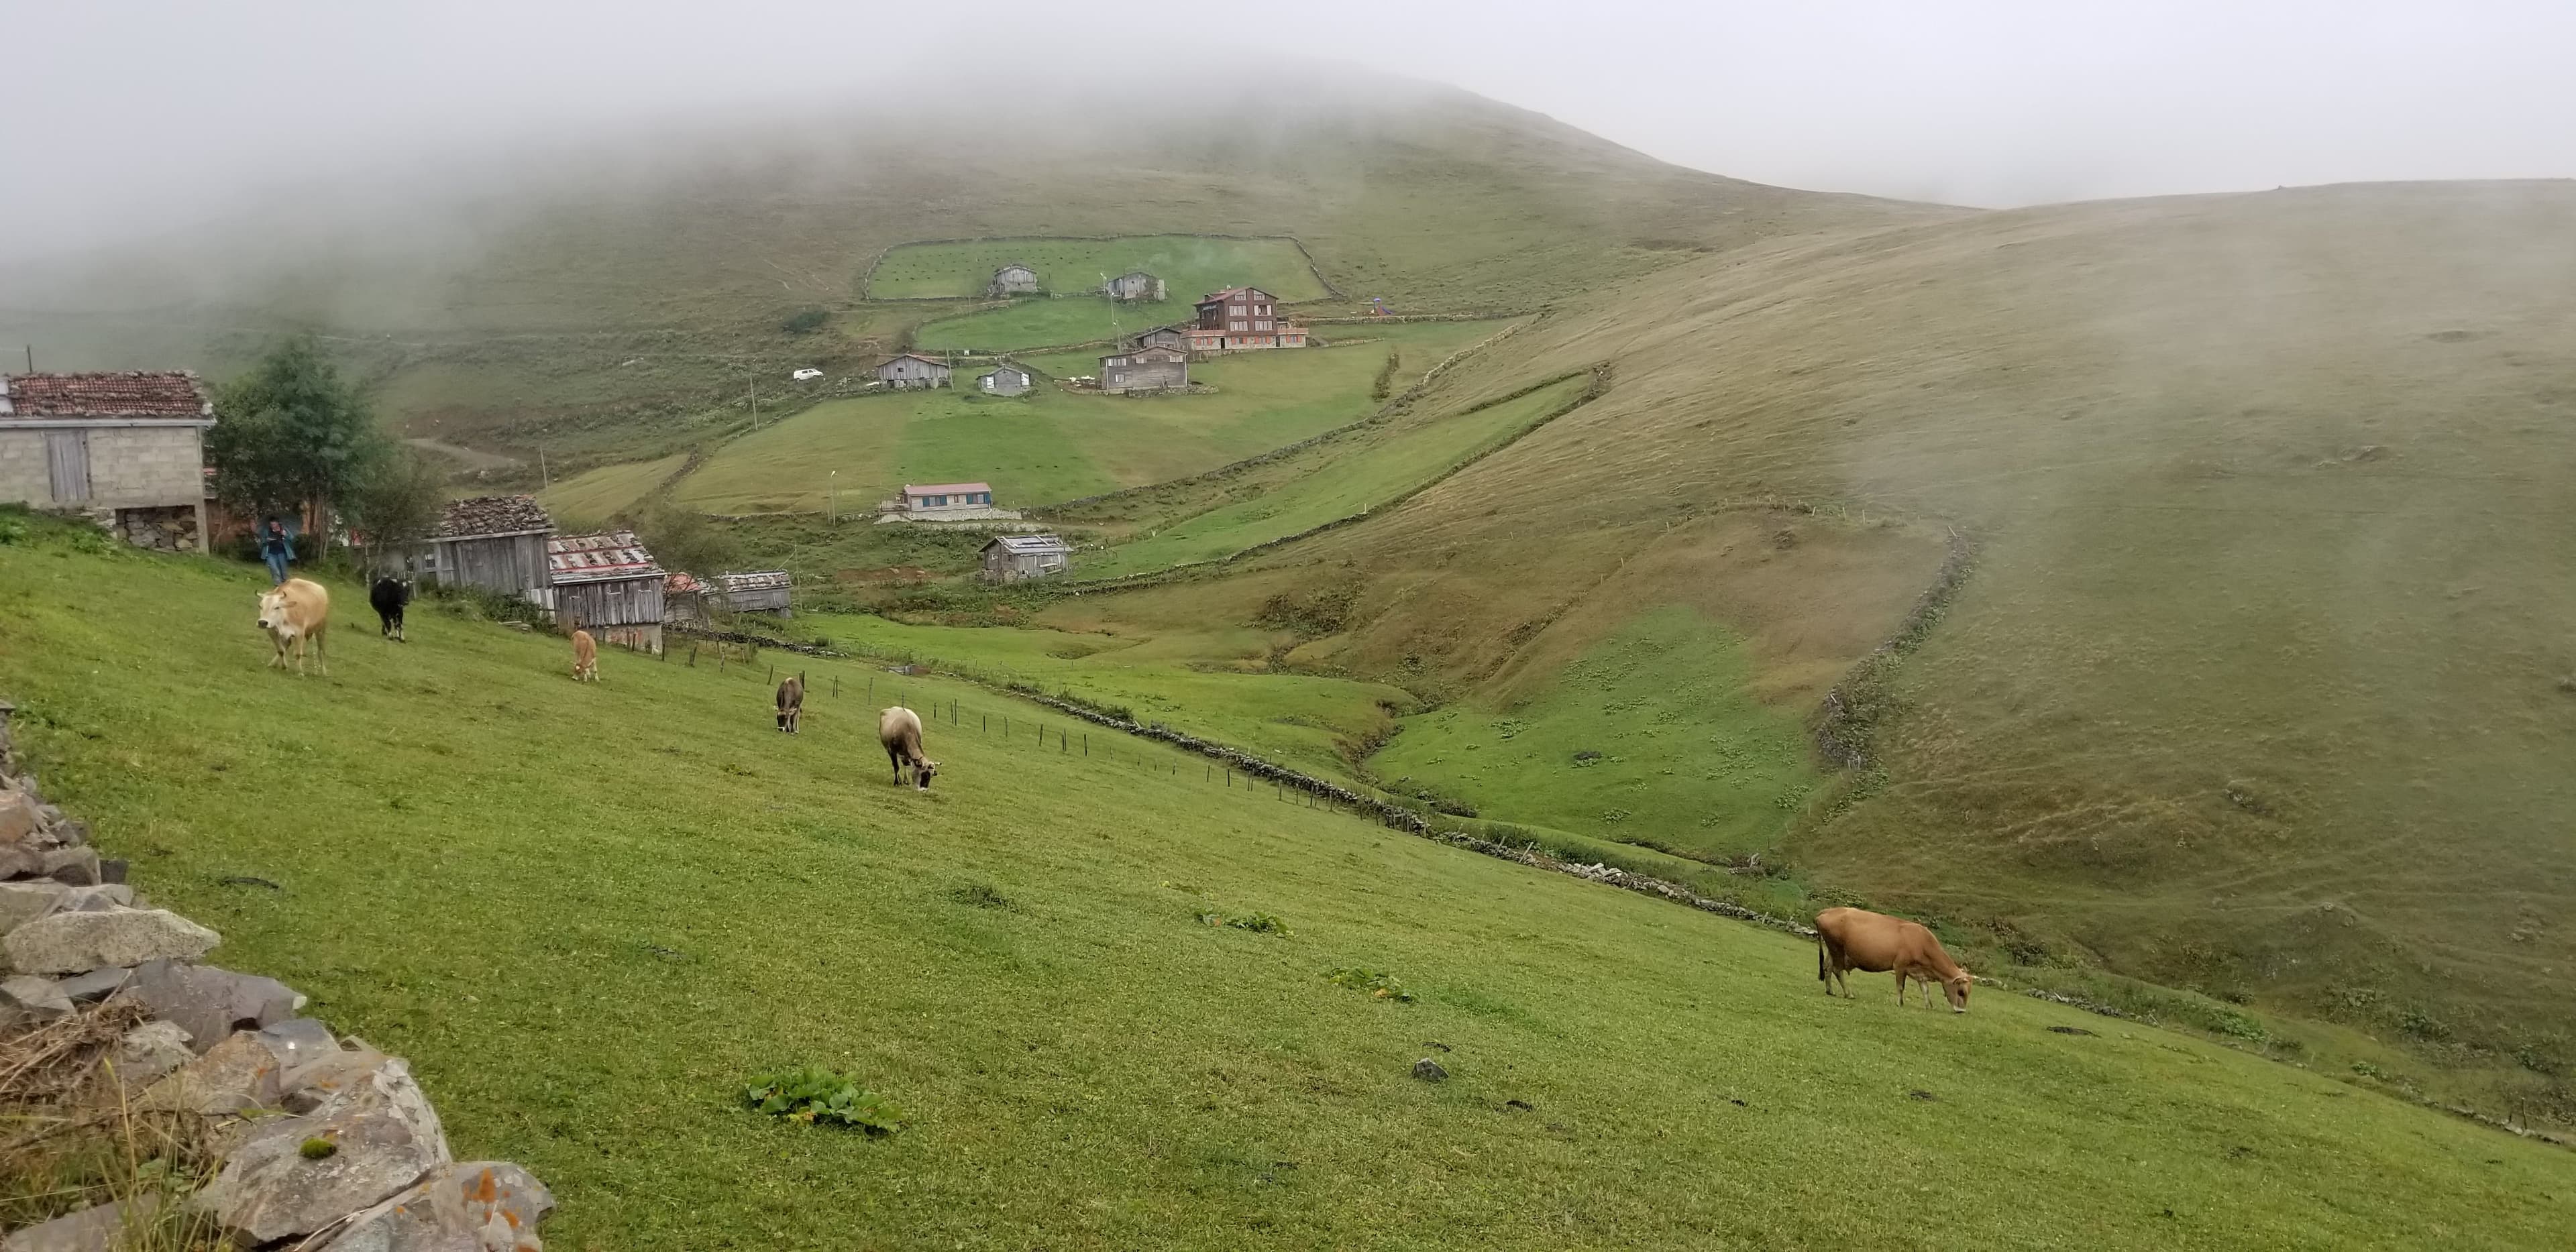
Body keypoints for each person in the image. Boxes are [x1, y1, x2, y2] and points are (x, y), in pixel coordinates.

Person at [258, 518, 295, 585]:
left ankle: (285, 582)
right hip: (271, 553)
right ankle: (278, 583)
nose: (273, 526)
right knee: (274, 568)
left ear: (278, 523)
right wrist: (267, 540)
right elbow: (262, 542)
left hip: (282, 552)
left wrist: (286, 535)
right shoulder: (267, 531)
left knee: (283, 569)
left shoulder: (283, 530)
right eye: (271, 524)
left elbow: (292, 539)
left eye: (274, 524)